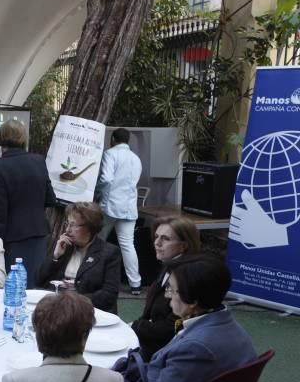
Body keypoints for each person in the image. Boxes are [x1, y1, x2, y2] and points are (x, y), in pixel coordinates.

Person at [118, 255, 256, 382]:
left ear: (193, 301)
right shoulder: (225, 324)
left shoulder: (196, 349)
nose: (167, 296)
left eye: (172, 290)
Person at [0, 119, 56, 280]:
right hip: (38, 233)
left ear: (0, 138)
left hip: (11, 238)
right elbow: (50, 198)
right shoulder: (38, 161)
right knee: (34, 284)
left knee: (11, 287)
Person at [131, 216, 201, 361]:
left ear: (184, 245)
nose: (157, 243)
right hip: (150, 342)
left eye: (166, 239)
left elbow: (172, 327)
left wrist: (136, 326)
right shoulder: (168, 264)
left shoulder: (185, 277)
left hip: (163, 354)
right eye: (156, 237)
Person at [37, 201, 122, 313]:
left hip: (90, 312)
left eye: (74, 225)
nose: (67, 230)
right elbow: (39, 281)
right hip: (58, 309)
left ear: (90, 227)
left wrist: (73, 302)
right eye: (67, 224)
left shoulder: (109, 252)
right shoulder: (64, 246)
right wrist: (55, 256)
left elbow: (109, 294)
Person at [96, 128, 143, 294]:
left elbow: (106, 179)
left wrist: (99, 194)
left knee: (98, 241)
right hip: (129, 207)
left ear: (113, 139)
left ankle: (95, 277)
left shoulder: (110, 154)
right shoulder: (136, 158)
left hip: (110, 206)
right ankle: (135, 284)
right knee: (128, 245)